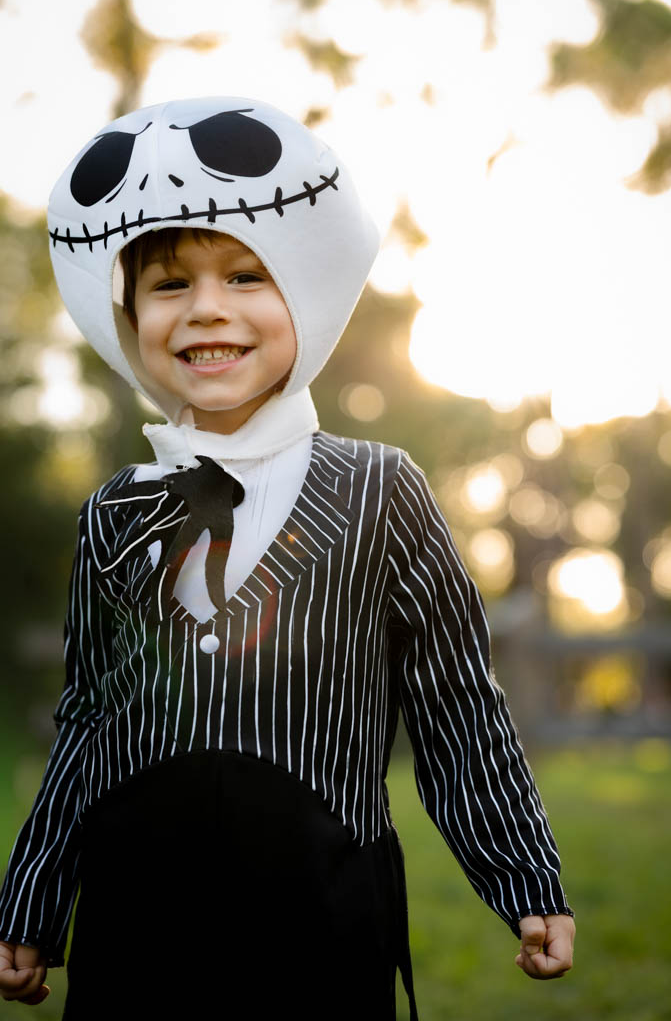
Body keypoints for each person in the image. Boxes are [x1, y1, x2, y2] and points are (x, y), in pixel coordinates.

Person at [0, 97, 575, 1019]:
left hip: (322, 920)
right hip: (136, 927)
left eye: (245, 276)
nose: (207, 309)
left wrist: (526, 878)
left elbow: (457, 705)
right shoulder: (111, 513)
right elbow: (88, 720)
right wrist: (31, 902)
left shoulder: (380, 489)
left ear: (303, 291)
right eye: (169, 285)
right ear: (131, 317)